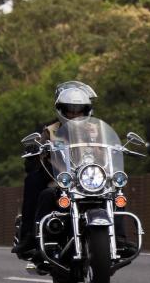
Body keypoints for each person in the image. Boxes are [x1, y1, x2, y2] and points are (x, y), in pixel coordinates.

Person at [12, 81, 96, 255]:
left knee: (116, 190)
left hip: (91, 180)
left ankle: (119, 238)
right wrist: (35, 149)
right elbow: (32, 162)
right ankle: (30, 236)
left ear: (86, 110)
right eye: (69, 109)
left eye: (78, 109)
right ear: (61, 109)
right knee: (35, 183)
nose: (74, 114)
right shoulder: (50, 131)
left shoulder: (96, 129)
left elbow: (109, 151)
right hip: (60, 180)